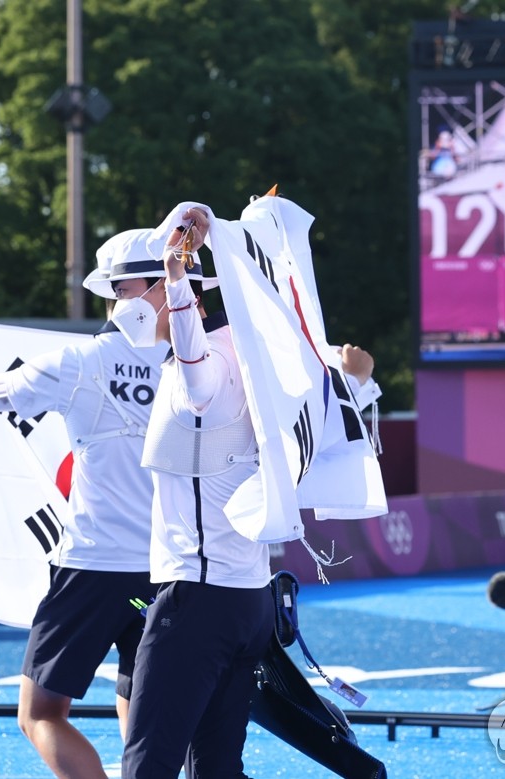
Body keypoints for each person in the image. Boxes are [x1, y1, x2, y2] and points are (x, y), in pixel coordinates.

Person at [0, 227, 206, 779]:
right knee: (143, 713)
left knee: (40, 714)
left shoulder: (79, 362)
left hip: (94, 567)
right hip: (172, 567)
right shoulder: (203, 369)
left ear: (120, 293)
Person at [121, 202, 376, 778]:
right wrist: (358, 380)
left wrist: (177, 279)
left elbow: (194, 364)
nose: (122, 306)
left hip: (199, 598)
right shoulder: (264, 358)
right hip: (246, 600)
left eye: (128, 289)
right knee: (215, 771)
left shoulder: (212, 359)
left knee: (149, 769)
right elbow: (341, 411)